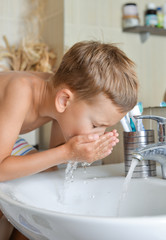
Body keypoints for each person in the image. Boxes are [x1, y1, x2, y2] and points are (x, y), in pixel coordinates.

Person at [0, 41, 138, 239]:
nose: (97, 135)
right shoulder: (20, 90)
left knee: (43, 179)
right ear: (64, 100)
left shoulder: (60, 99)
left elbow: (56, 156)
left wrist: (75, 153)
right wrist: (67, 152)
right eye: (95, 125)